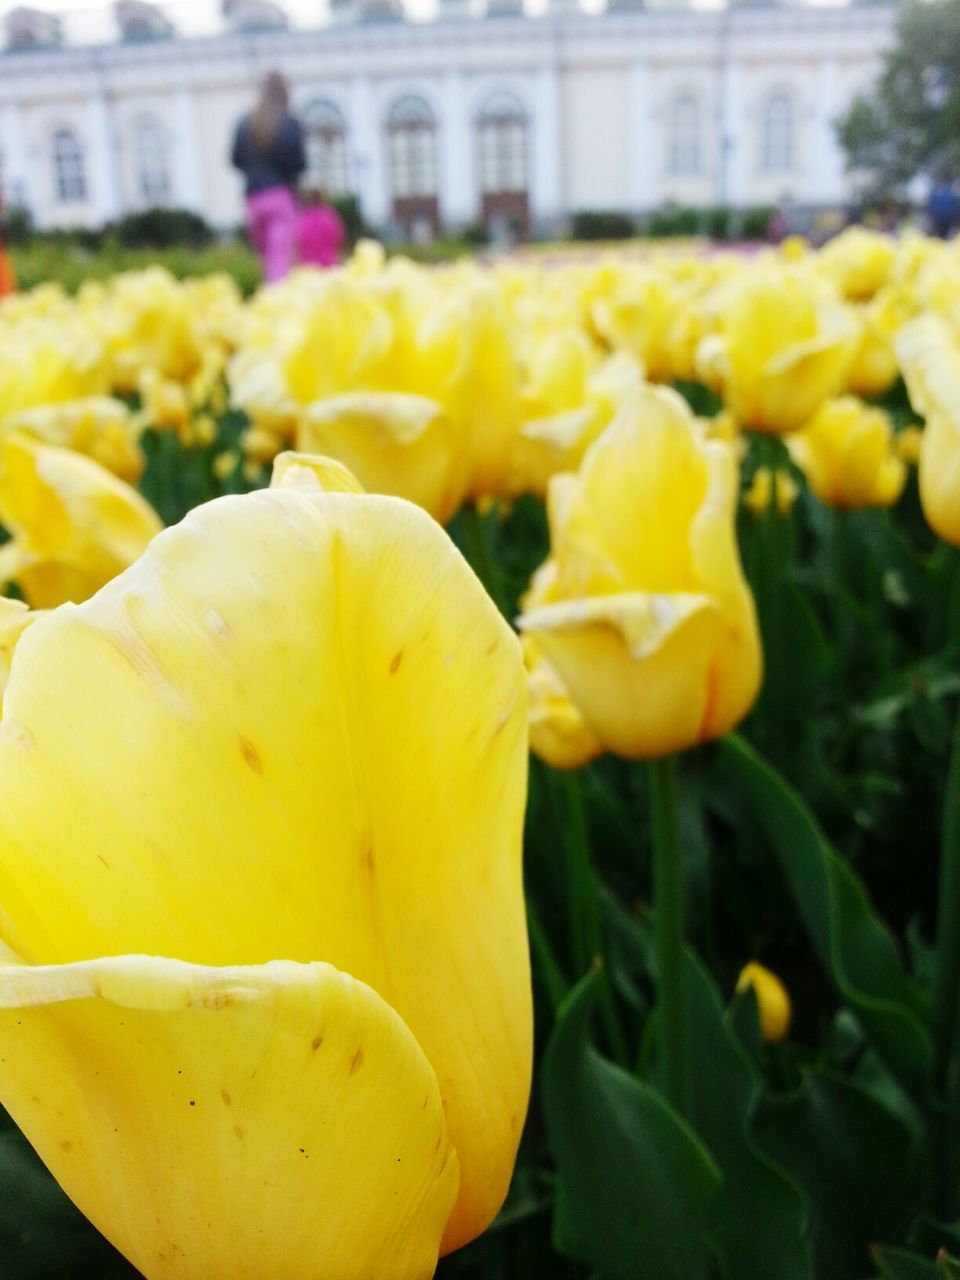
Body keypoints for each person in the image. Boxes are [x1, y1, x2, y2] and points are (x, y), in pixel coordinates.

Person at [231, 71, 305, 283]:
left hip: (255, 200)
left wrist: (255, 169)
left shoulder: (245, 123)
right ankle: (278, 308)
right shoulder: (289, 123)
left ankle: (270, 303)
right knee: (280, 262)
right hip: (280, 198)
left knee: (268, 261)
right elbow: (299, 163)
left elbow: (235, 159)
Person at [297, 187, 345, 269]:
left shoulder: (304, 218)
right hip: (330, 264)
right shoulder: (330, 216)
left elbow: (299, 241)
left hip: (309, 266)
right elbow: (340, 237)